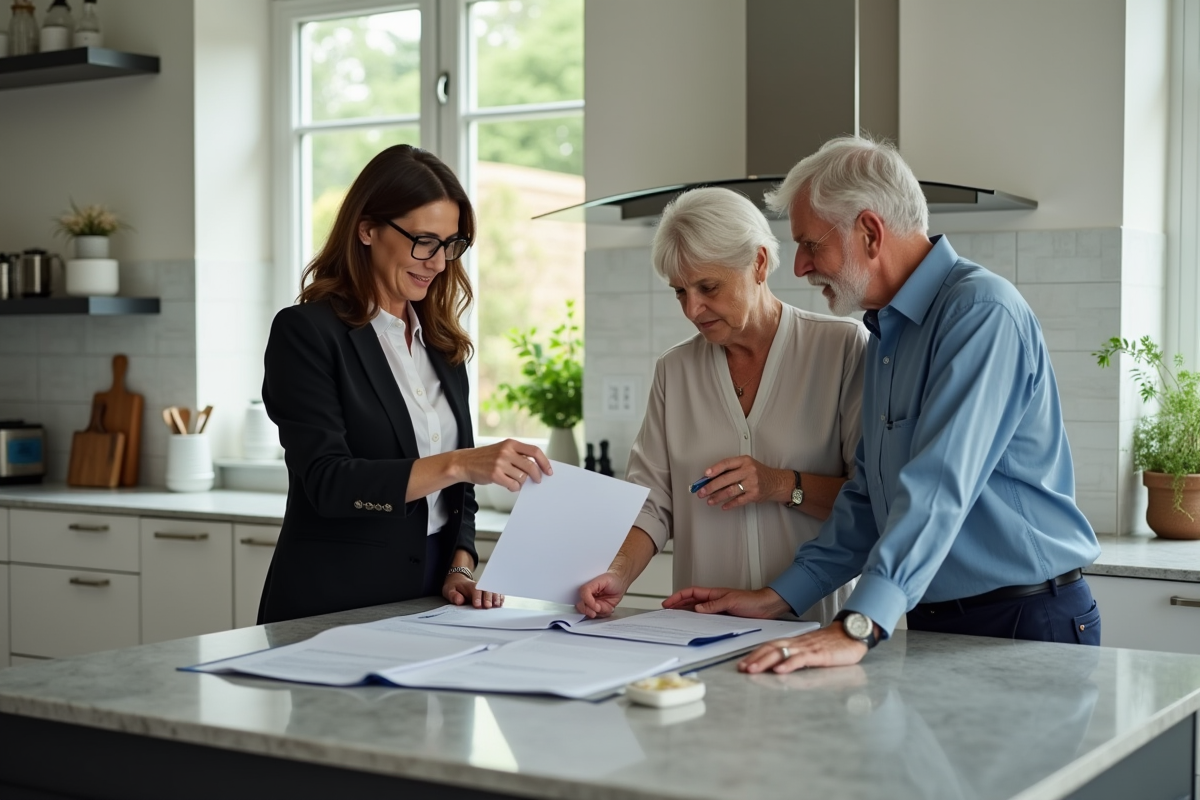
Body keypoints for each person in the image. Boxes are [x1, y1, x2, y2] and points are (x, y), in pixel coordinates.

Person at [664, 136, 1103, 671]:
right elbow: (870, 500)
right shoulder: (887, 335)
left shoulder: (980, 314)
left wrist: (858, 624)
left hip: (1025, 619)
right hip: (935, 618)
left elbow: (939, 486)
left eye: (810, 245)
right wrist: (779, 597)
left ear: (869, 232)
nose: (799, 267)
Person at [258, 144, 552, 624]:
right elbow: (328, 482)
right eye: (423, 240)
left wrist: (461, 567)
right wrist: (458, 463)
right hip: (333, 607)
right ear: (367, 229)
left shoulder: (442, 345)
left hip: (432, 604)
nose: (438, 262)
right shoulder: (306, 332)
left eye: (451, 244)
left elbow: (461, 496)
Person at [576, 187, 867, 624]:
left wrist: (778, 483)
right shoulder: (675, 371)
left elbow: (869, 498)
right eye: (680, 292)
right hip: (698, 627)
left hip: (813, 626)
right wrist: (617, 573)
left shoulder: (842, 349)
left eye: (708, 287)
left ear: (759, 263)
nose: (693, 308)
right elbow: (652, 507)